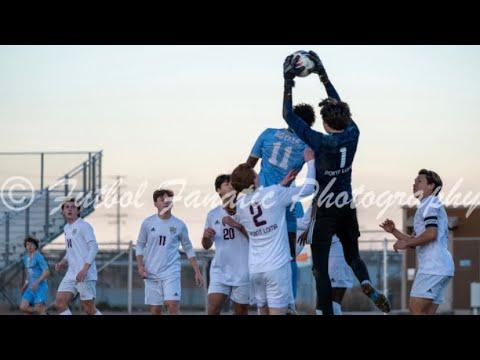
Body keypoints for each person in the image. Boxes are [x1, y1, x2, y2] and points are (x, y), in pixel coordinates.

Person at [282, 51, 390, 314]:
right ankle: (365, 281)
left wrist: (287, 82)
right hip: (347, 204)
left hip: (328, 208)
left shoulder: (321, 141)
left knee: (320, 269)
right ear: (345, 118)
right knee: (353, 255)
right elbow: (339, 106)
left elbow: (288, 115)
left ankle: (326, 312)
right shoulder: (354, 133)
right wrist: (324, 76)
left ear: (327, 124)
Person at [380, 169, 454, 315]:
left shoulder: (429, 203)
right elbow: (416, 241)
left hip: (433, 268)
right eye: (414, 181)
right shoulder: (431, 205)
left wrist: (405, 244)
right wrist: (394, 231)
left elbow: (431, 234)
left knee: (415, 309)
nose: (414, 184)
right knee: (426, 313)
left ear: (431, 186)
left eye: (419, 181)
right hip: (440, 267)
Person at [136, 189, 204, 315]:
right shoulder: (147, 223)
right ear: (155, 203)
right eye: (162, 200)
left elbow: (188, 248)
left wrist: (197, 271)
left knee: (172, 306)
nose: (166, 202)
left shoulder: (179, 225)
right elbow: (139, 246)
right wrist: (140, 266)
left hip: (171, 271)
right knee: (155, 311)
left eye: (169, 200)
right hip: (151, 272)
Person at [202, 174, 250, 315]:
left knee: (241, 311)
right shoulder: (212, 214)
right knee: (213, 309)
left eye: (232, 184)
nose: (231, 186)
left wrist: (237, 225)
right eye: (227, 184)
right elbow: (206, 245)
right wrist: (205, 237)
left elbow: (255, 238)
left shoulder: (246, 210)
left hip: (243, 270)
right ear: (218, 190)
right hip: (220, 270)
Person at [54, 198, 102, 315]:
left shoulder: (84, 226)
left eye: (73, 207)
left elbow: (94, 247)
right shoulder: (66, 228)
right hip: (72, 273)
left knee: (89, 310)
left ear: (78, 210)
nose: (70, 209)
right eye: (67, 207)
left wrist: (84, 269)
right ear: (63, 212)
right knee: (60, 303)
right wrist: (63, 262)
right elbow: (71, 250)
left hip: (85, 273)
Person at [19, 237, 50, 315]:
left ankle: (42, 311)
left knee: (35, 309)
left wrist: (37, 282)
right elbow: (28, 273)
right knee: (23, 307)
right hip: (30, 288)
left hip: (40, 287)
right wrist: (25, 285)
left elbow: (47, 272)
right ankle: (42, 310)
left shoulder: (39, 256)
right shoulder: (25, 257)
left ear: (35, 246)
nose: (29, 246)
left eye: (31, 244)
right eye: (27, 245)